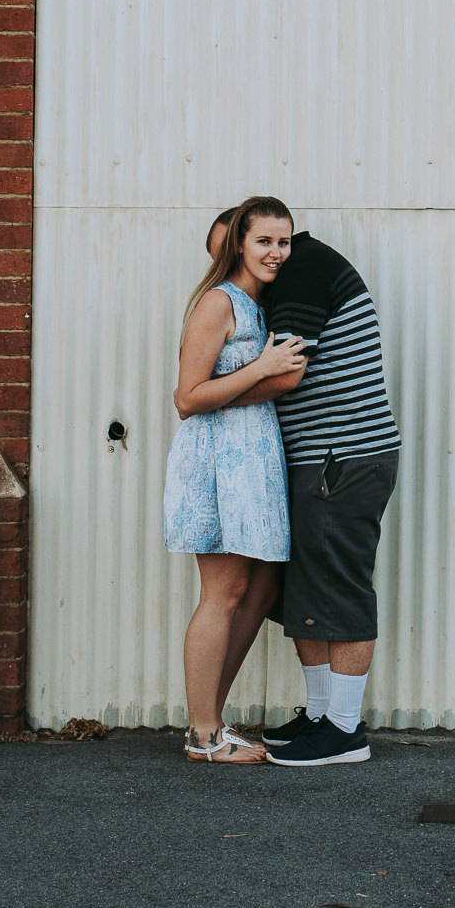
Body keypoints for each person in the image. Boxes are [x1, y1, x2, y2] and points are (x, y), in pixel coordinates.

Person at [163, 197, 308, 763]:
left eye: (284, 241)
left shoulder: (261, 303)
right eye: (264, 241)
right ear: (238, 246)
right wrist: (266, 370)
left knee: (262, 587)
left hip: (256, 456)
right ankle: (204, 734)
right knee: (221, 593)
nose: (276, 252)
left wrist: (276, 380)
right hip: (218, 461)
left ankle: (211, 718)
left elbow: (274, 386)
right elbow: (187, 398)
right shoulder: (218, 303)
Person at [258, 226, 401, 767]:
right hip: (323, 459)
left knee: (338, 587)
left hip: (341, 458)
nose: (256, 259)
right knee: (308, 590)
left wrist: (206, 395)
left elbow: (287, 373)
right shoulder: (296, 272)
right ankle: (321, 713)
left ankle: (344, 731)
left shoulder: (301, 271)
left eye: (233, 248)